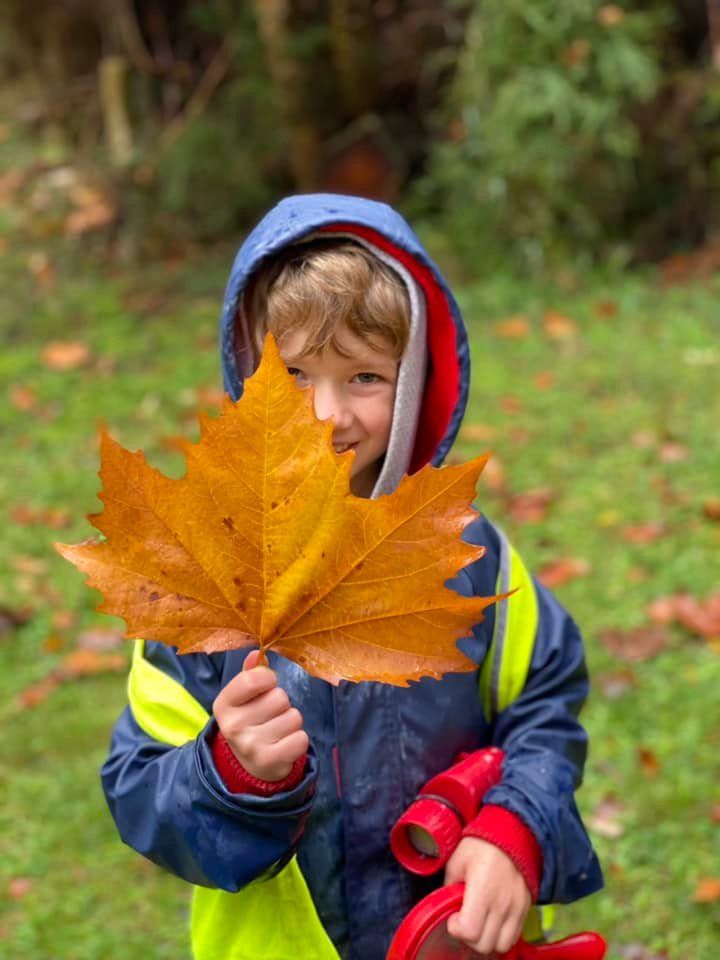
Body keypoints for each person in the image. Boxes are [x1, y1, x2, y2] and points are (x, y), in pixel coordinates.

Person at [102, 194, 603, 960]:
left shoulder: (470, 559)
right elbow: (141, 789)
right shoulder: (197, 574)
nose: (328, 414)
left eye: (364, 376)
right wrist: (232, 773)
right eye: (295, 374)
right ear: (247, 375)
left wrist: (513, 826)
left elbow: (544, 704)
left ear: (415, 384)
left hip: (452, 937)